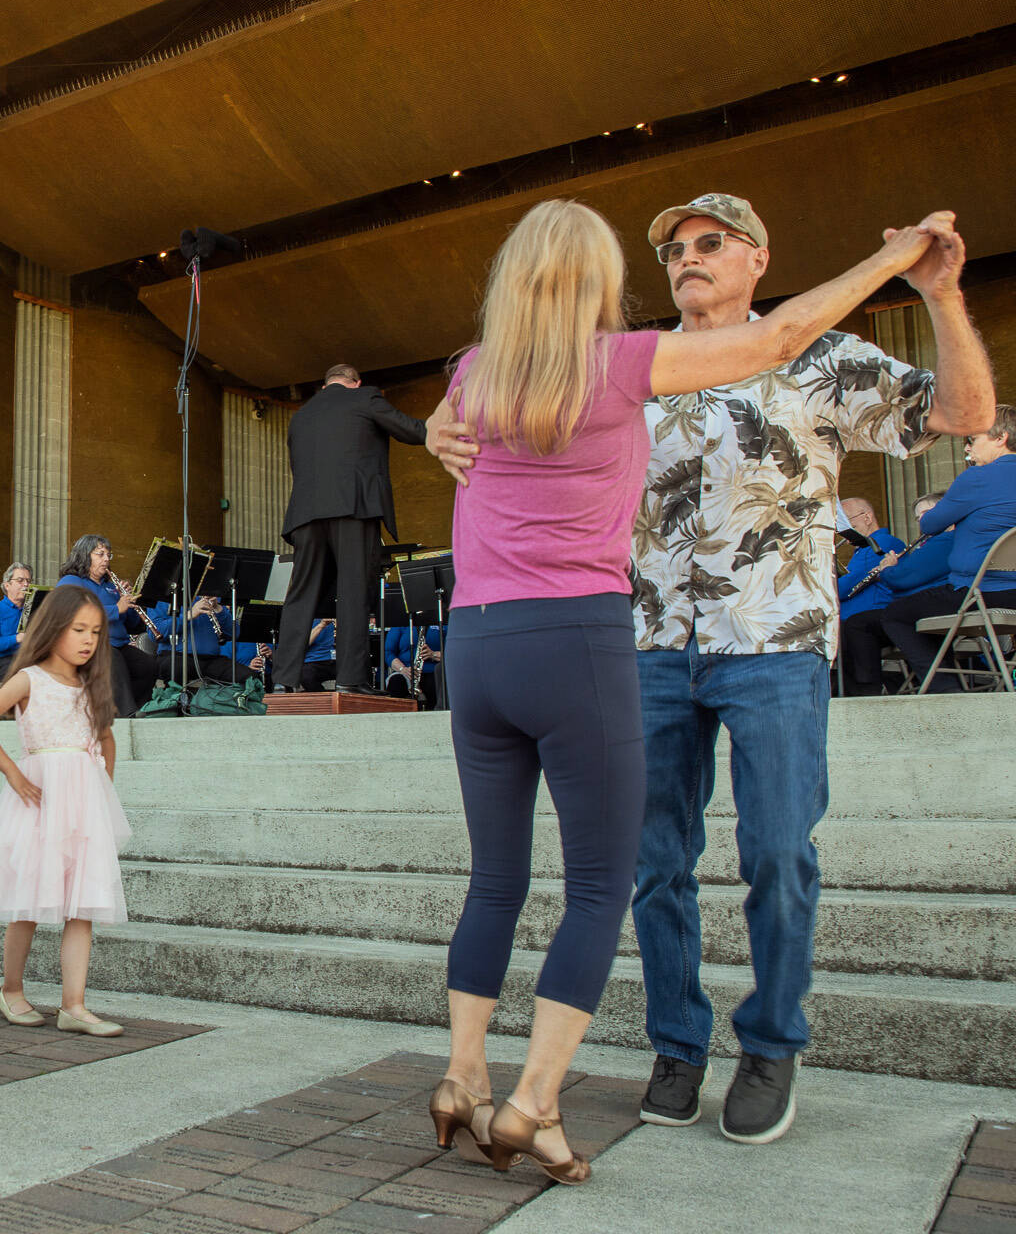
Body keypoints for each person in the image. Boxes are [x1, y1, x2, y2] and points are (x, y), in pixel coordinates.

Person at [421, 199, 938, 1181]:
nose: (681, 261)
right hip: (602, 640)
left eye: (705, 244)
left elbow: (451, 427)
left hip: (537, 644)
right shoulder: (622, 362)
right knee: (618, 878)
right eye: (662, 252)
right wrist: (897, 252)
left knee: (521, 878)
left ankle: (474, 1079)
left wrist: (436, 434)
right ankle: (578, 1083)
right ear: (605, 280)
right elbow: (778, 336)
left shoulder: (483, 368)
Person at [0, 584, 131, 1036]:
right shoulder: (30, 679)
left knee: (83, 904)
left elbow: (107, 738)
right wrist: (13, 774)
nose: (89, 640)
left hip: (82, 804)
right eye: (79, 629)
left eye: (96, 632)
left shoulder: (91, 686)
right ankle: (11, 990)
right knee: (28, 899)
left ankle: (73, 1005)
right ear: (54, 627)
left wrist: (101, 787)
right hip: (39, 800)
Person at [273, 363, 427, 696]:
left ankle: (283, 679)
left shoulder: (301, 416)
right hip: (352, 507)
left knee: (300, 596)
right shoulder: (365, 398)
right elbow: (411, 430)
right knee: (354, 591)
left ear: (326, 384)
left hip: (305, 514)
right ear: (355, 383)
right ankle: (351, 679)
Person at [878, 406, 1016, 689]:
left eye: (973, 439)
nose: (968, 447)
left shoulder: (976, 478)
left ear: (1001, 437)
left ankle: (948, 690)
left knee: (895, 615)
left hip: (980, 592)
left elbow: (930, 526)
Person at [55, 535, 159, 717]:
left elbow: (131, 625)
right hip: (88, 645)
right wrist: (116, 608)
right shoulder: (71, 581)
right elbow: (75, 613)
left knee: (148, 665)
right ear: (84, 555)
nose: (106, 559)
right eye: (100, 554)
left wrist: (130, 603)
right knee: (113, 659)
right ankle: (126, 714)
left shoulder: (110, 587)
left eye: (108, 555)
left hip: (117, 644)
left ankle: (136, 706)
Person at [835, 497, 911, 695]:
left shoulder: (880, 543)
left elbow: (842, 589)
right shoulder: (864, 549)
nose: (843, 532)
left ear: (867, 517)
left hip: (870, 616)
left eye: (847, 523)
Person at [0, 563, 32, 684]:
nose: (26, 584)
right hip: (0, 664)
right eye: (20, 580)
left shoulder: (33, 609)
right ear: (7, 585)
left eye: (28, 581)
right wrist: (17, 638)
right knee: (24, 676)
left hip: (26, 660)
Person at [382, 623, 443, 705]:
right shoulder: (400, 624)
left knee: (435, 685)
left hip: (433, 670)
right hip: (405, 670)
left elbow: (452, 652)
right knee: (397, 682)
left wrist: (433, 654)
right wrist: (403, 669)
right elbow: (388, 652)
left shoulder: (442, 622)